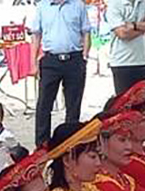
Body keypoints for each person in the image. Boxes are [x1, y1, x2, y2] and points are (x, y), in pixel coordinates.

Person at [106, 0, 145, 154]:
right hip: (122, 63)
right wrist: (143, 26)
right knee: (125, 106)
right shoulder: (115, 5)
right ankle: (125, 141)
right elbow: (122, 34)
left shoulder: (143, 4)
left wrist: (134, 26)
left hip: (144, 61)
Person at [30, 0, 91, 147]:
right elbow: (36, 36)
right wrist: (33, 63)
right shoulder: (42, 7)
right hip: (51, 59)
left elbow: (86, 32)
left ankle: (71, 142)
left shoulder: (78, 5)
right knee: (44, 103)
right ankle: (42, 144)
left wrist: (85, 56)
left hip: (74, 59)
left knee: (73, 104)